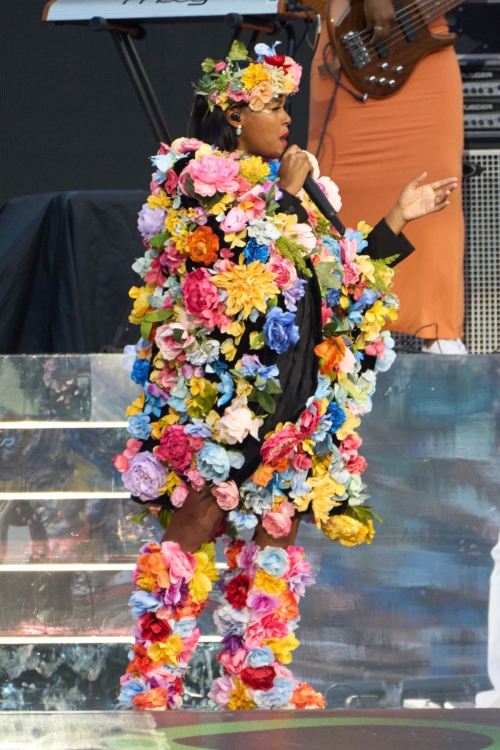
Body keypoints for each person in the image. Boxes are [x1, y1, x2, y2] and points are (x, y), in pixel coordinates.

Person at [114, 40, 458, 711]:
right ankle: (154, 680)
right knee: (196, 531)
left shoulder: (304, 190)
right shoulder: (196, 177)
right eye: (273, 106)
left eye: (286, 107)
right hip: (228, 400)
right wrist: (289, 194)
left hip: (297, 397)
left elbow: (344, 282)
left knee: (274, 540)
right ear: (234, 114)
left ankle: (256, 675)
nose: (286, 121)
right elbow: (229, 272)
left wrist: (395, 219)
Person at [308, 0, 466, 354]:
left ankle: (439, 334)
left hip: (422, 38)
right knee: (336, 199)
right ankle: (339, 331)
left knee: (436, 198)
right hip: (349, 33)